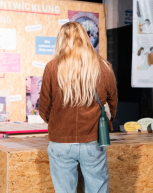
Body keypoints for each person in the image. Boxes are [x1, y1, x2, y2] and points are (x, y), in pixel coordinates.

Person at [39, 22, 118, 193]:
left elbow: (44, 108)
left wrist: (56, 122)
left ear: (61, 41)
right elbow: (112, 105)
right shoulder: (104, 67)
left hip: (60, 141)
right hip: (92, 140)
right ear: (85, 38)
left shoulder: (52, 67)